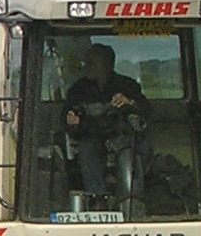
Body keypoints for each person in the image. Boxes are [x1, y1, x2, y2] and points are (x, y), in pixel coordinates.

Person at [63, 43, 152, 201]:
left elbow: (146, 111)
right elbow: (65, 117)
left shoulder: (128, 86)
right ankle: (98, 199)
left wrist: (129, 103)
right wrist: (72, 120)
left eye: (92, 62)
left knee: (143, 147)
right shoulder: (78, 89)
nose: (87, 66)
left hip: (123, 135)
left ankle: (137, 197)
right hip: (92, 135)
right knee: (86, 150)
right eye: (87, 62)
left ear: (108, 64)